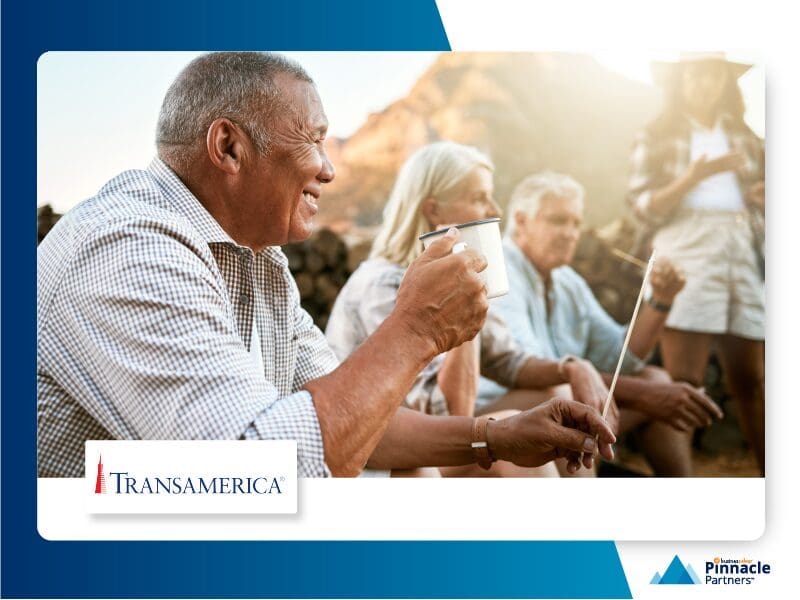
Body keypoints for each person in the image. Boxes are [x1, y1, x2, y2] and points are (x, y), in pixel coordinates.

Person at [37, 52, 615, 478]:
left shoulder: (257, 260)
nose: (329, 169)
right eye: (314, 140)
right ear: (229, 148)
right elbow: (258, 473)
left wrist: (499, 436)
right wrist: (415, 330)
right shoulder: (127, 249)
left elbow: (367, 422)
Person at [326, 142, 616, 477]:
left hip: (437, 440)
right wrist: (468, 301)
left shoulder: (452, 278)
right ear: (434, 210)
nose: (494, 209)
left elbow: (508, 361)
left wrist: (572, 367)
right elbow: (452, 416)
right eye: (479, 198)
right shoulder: (384, 285)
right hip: (390, 456)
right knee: (510, 433)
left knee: (559, 400)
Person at [481, 171, 725, 476]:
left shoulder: (566, 280)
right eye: (558, 220)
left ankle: (679, 494)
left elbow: (620, 355)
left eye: (576, 223)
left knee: (656, 380)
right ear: (520, 220)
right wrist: (643, 395)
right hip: (492, 415)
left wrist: (660, 300)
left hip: (553, 396)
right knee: (564, 403)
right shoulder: (501, 272)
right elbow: (532, 372)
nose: (571, 233)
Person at [628, 53, 765, 475]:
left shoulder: (744, 135)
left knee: (753, 379)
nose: (705, 82)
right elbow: (641, 207)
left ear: (725, 80)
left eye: (714, 74)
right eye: (696, 73)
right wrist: (694, 176)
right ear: (680, 79)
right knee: (684, 383)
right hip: (685, 244)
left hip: (740, 243)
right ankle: (682, 485)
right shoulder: (656, 134)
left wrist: (761, 197)